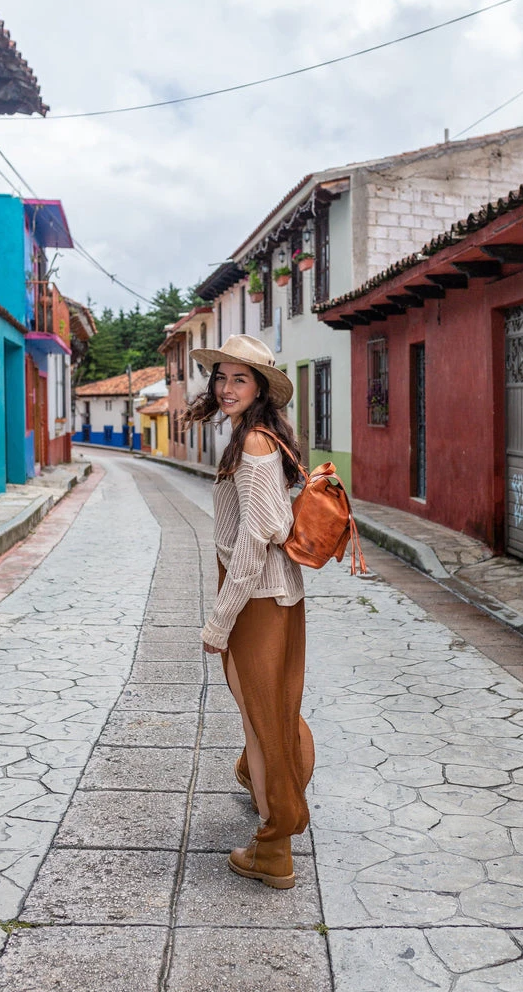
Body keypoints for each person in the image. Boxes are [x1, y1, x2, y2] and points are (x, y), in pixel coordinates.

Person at [185, 334, 314, 890]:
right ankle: (266, 791)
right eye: (221, 377)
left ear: (260, 388)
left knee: (263, 721)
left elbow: (256, 539)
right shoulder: (257, 436)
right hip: (274, 594)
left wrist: (220, 619)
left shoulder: (254, 446)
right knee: (271, 711)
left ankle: (274, 844)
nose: (226, 387)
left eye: (240, 378)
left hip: (257, 599)